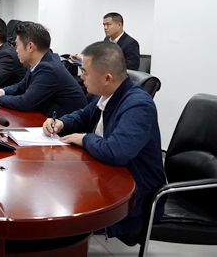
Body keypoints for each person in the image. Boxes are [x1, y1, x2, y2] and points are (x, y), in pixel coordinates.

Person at [43, 41, 165, 245]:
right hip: (103, 173)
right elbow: (83, 116)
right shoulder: (106, 95)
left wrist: (84, 138)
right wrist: (62, 123)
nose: (81, 77)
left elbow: (116, 152)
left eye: (85, 72)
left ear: (107, 78)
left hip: (135, 189)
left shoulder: (138, 105)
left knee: (60, 204)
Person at [0, 21, 87, 117]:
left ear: (30, 47)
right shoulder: (39, 62)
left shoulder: (48, 69)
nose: (16, 50)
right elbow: (21, 86)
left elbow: (25, 103)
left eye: (17, 46)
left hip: (67, 123)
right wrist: (1, 91)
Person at [71, 12, 140, 70]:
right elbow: (101, 59)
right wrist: (82, 59)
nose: (105, 28)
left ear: (119, 25)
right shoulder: (107, 39)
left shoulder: (130, 43)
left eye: (108, 24)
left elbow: (132, 69)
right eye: (104, 25)